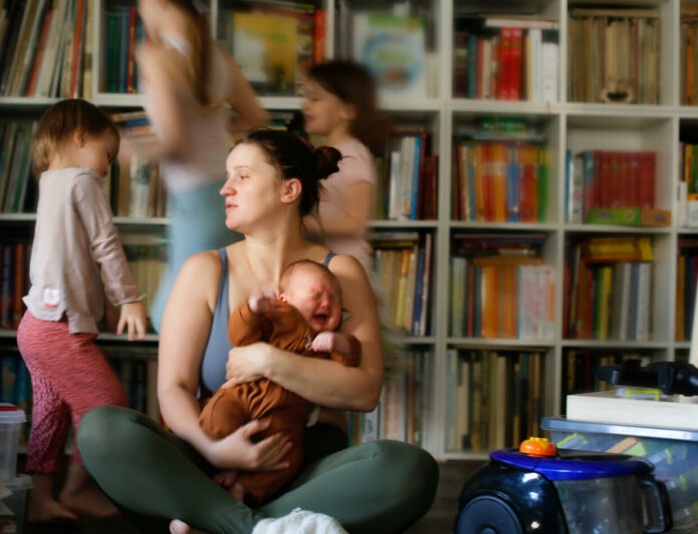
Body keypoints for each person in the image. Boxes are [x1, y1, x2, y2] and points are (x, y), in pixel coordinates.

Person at [78, 129, 438, 534]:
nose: (225, 189)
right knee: (102, 430)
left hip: (303, 465)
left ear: (289, 190)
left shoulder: (340, 273)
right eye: (227, 176)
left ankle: (215, 523)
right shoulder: (206, 270)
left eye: (242, 176)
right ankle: (267, 527)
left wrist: (268, 359)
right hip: (208, 457)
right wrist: (216, 449)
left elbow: (364, 390)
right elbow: (173, 388)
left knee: (410, 469)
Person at [17, 99, 147, 523]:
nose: (107, 167)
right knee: (106, 402)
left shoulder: (51, 182)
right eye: (106, 154)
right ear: (79, 137)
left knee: (50, 419)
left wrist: (98, 311)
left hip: (35, 325)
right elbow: (104, 245)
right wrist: (128, 298)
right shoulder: (83, 180)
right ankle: (77, 488)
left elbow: (70, 263)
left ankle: (40, 501)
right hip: (56, 328)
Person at [132, 0, 269, 331]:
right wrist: (221, 128)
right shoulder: (216, 57)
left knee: (173, 319)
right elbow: (256, 115)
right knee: (222, 312)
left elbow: (176, 141)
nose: (141, 9)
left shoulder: (157, 58)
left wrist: (134, 150)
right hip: (229, 196)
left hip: (195, 202)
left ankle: (191, 390)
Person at [201, 259, 361, 506]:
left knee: (289, 456)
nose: (327, 303)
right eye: (316, 295)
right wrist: (251, 310)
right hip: (242, 396)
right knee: (217, 416)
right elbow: (240, 336)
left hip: (284, 416)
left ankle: (245, 488)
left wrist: (340, 343)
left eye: (334, 299)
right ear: (285, 301)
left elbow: (352, 357)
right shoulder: (275, 319)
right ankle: (224, 466)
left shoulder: (329, 340)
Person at [300, 61, 392, 275]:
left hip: (347, 273)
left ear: (347, 110)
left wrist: (304, 224)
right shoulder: (322, 153)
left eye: (315, 98)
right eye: (306, 97)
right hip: (324, 267)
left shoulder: (352, 155)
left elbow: (355, 221)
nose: (305, 105)